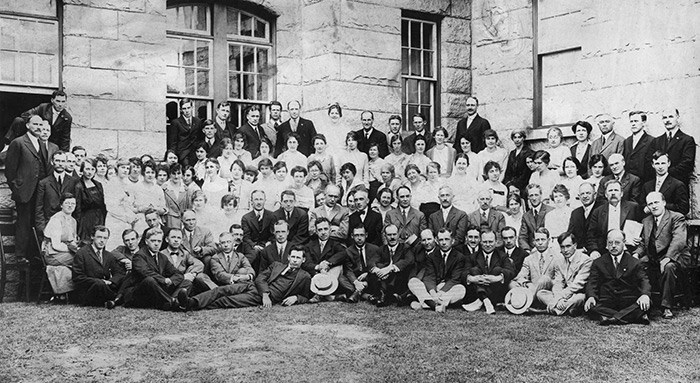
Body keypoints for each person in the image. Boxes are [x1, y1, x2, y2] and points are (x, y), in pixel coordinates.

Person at [179, 245, 311, 310]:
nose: (294, 260)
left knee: (227, 301)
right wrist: (265, 293)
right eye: (292, 257)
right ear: (288, 257)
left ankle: (191, 305)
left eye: (298, 258)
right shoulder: (277, 265)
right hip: (253, 287)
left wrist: (296, 298)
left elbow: (308, 296)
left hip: (257, 297)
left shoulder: (304, 276)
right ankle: (190, 301)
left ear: (303, 260)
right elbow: (260, 278)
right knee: (221, 290)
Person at [6, 115, 58, 262]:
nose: (38, 127)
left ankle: (36, 255)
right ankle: (21, 255)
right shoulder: (19, 142)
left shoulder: (41, 144)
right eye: (35, 124)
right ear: (28, 125)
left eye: (41, 125)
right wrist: (17, 188)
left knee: (38, 222)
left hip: (39, 191)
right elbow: (10, 170)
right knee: (24, 222)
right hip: (25, 192)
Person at [634, 192, 692, 319]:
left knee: (669, 267)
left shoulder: (676, 217)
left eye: (656, 202)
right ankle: (644, 301)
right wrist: (636, 255)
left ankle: (667, 306)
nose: (653, 206)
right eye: (650, 204)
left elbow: (679, 241)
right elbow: (644, 243)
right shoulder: (646, 221)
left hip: (676, 256)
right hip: (654, 256)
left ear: (664, 203)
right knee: (636, 265)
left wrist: (667, 258)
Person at [584, 229, 651, 325]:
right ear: (606, 244)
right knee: (590, 306)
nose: (613, 246)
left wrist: (645, 295)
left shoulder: (635, 262)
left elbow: (644, 280)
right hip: (607, 302)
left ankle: (610, 318)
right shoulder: (598, 262)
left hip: (628, 301)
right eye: (610, 243)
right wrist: (591, 296)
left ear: (624, 243)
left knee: (645, 303)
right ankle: (634, 316)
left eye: (617, 243)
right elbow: (592, 282)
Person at [407, 228, 466, 312]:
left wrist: (440, 292)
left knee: (461, 289)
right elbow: (429, 277)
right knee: (413, 282)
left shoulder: (459, 257)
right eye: (441, 240)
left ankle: (427, 303)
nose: (444, 243)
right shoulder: (431, 256)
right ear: (437, 241)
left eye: (447, 239)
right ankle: (435, 305)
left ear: (452, 241)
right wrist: (433, 293)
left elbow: (455, 279)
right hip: (433, 289)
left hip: (446, 289)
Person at [131, 228, 189, 310]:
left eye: (159, 241)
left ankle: (169, 302)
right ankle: (173, 302)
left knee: (187, 282)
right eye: (153, 241)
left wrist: (171, 280)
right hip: (142, 293)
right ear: (146, 241)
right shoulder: (139, 255)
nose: (156, 244)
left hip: (158, 291)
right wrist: (164, 280)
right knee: (149, 280)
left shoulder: (162, 257)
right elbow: (146, 272)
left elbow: (178, 273)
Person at [536, 232, 591, 316]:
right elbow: (558, 283)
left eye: (568, 246)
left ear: (575, 245)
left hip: (578, 293)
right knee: (541, 293)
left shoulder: (586, 260)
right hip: (564, 295)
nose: (565, 250)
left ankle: (552, 309)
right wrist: (559, 299)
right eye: (562, 247)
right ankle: (566, 309)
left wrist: (558, 298)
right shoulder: (560, 260)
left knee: (579, 298)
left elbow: (577, 285)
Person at [462, 229, 515, 314]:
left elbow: (511, 271)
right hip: (475, 290)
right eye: (485, 242)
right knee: (474, 270)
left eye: (490, 242)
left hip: (496, 291)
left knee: (497, 269)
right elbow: (464, 272)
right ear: (480, 241)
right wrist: (472, 278)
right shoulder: (472, 257)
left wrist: (497, 278)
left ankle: (481, 300)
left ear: (496, 242)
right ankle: (486, 301)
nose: (487, 245)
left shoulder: (502, 256)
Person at [586, 179, 642, 258]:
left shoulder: (633, 207)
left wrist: (639, 239)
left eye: (616, 190)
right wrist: (594, 250)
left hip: (627, 251)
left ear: (621, 193)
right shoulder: (598, 211)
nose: (613, 193)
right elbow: (591, 236)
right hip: (604, 252)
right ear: (605, 194)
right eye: (610, 190)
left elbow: (642, 231)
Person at [72, 226, 126, 306]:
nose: (102, 241)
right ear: (92, 237)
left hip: (105, 288)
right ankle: (116, 299)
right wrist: (99, 281)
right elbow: (78, 277)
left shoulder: (108, 255)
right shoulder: (82, 253)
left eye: (105, 238)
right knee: (99, 284)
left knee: (126, 279)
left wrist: (110, 281)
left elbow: (119, 273)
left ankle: (112, 300)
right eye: (99, 237)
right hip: (89, 291)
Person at [5, 90, 71, 151]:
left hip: (51, 143)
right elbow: (25, 115)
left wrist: (64, 155)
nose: (60, 104)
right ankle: (8, 145)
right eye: (58, 101)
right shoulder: (44, 107)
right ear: (52, 100)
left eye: (63, 101)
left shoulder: (67, 117)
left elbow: (65, 138)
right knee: (18, 120)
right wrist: (38, 120)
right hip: (37, 137)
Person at [42, 193, 80, 301]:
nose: (70, 206)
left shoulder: (73, 221)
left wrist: (75, 246)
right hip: (52, 253)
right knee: (82, 258)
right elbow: (56, 245)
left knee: (83, 257)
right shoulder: (56, 219)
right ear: (61, 205)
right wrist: (74, 249)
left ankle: (78, 291)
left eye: (73, 203)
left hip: (65, 252)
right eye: (67, 203)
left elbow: (72, 240)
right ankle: (77, 291)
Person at [647, 108, 696, 188]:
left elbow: (687, 164)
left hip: (678, 184)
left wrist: (665, 172)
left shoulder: (687, 140)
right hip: (659, 184)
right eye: (664, 117)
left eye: (670, 117)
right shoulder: (657, 141)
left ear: (677, 118)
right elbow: (649, 160)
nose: (667, 120)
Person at [510, 228, 560, 306]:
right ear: (534, 242)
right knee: (512, 283)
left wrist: (544, 283)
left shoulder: (556, 257)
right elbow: (521, 276)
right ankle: (525, 300)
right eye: (537, 240)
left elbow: (559, 280)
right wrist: (528, 283)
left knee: (544, 279)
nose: (540, 243)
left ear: (548, 240)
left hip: (546, 292)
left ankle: (524, 302)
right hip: (533, 289)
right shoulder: (529, 258)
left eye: (543, 240)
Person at [302, 218, 349, 300]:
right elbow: (307, 263)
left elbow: (343, 253)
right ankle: (330, 297)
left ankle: (319, 295)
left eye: (325, 229)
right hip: (316, 275)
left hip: (330, 274)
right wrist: (318, 267)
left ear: (330, 230)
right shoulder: (309, 246)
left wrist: (328, 263)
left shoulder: (335, 244)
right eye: (320, 230)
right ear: (316, 232)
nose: (323, 232)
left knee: (338, 267)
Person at [369, 225, 415, 306]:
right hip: (383, 279)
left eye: (394, 234)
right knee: (379, 265)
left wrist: (390, 269)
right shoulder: (382, 249)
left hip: (399, 281)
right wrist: (378, 271)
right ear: (385, 236)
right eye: (389, 235)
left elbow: (409, 260)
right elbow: (371, 262)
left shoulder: (405, 248)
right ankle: (383, 295)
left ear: (398, 234)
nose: (392, 237)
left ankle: (385, 295)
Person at [161, 227, 217, 294]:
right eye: (173, 237)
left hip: (184, 284)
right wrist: (183, 277)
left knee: (200, 276)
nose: (176, 240)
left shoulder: (184, 253)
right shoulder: (161, 254)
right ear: (167, 239)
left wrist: (191, 274)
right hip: (168, 285)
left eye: (178, 238)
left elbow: (199, 264)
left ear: (182, 241)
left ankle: (219, 292)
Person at [35, 151, 77, 236]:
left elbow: (77, 206)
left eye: (63, 161)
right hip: (49, 225)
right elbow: (39, 207)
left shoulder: (74, 181)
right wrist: (42, 228)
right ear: (52, 162)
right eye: (57, 161)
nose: (60, 164)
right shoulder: (44, 183)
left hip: (68, 227)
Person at [642, 151, 689, 216]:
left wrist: (660, 205)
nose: (660, 167)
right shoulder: (647, 185)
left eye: (663, 163)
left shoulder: (678, 185)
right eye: (657, 164)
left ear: (668, 164)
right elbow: (642, 204)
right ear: (653, 165)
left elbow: (683, 208)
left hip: (670, 221)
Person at [343, 225, 382, 303]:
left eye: (362, 235)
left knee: (377, 275)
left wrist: (367, 274)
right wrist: (356, 282)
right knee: (342, 278)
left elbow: (378, 264)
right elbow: (348, 270)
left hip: (370, 277)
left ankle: (358, 292)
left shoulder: (375, 249)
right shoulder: (348, 251)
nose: (359, 238)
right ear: (352, 236)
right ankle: (366, 296)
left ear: (366, 235)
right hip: (356, 278)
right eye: (356, 235)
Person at [74, 158, 107, 242]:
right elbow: (77, 209)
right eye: (87, 169)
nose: (90, 172)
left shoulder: (98, 185)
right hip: (85, 221)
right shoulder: (79, 186)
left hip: (99, 218)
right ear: (82, 170)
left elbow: (102, 204)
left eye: (92, 169)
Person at [241, 190, 276, 263]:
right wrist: (254, 246)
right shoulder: (246, 218)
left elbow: (273, 234)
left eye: (261, 199)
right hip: (253, 247)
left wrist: (269, 243)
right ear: (251, 201)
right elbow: (246, 237)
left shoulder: (272, 216)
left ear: (265, 200)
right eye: (256, 199)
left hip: (268, 245)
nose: (259, 202)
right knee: (252, 256)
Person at [132, 160, 167, 233]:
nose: (150, 175)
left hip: (155, 222)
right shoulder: (135, 187)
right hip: (140, 222)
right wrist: (140, 209)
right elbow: (130, 207)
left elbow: (163, 208)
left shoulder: (158, 189)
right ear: (143, 173)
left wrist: (156, 209)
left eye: (152, 172)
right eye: (148, 172)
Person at [167, 98, 203, 165]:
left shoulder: (198, 121)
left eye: (188, 108)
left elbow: (200, 138)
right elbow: (173, 142)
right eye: (184, 108)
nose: (187, 111)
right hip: (182, 154)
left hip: (195, 154)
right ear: (181, 109)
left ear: (192, 108)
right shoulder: (176, 122)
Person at [518, 184, 553, 251]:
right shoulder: (526, 216)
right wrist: (527, 250)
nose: (534, 198)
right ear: (528, 197)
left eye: (536, 195)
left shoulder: (550, 211)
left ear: (541, 195)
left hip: (548, 250)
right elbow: (522, 237)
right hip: (531, 251)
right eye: (531, 195)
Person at [162, 163, 195, 229]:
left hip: (182, 222)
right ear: (170, 174)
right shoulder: (164, 188)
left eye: (179, 173)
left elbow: (189, 207)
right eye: (174, 173)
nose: (176, 176)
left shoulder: (186, 189)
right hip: (169, 221)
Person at [623, 111, 653, 182]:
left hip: (644, 181)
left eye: (636, 121)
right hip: (629, 182)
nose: (633, 124)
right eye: (631, 121)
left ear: (644, 123)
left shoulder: (651, 141)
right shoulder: (627, 141)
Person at [566, 182, 597, 249]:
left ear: (594, 195)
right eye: (582, 194)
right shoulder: (575, 213)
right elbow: (570, 235)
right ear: (579, 196)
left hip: (598, 252)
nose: (585, 196)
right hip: (579, 252)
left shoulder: (601, 210)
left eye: (588, 193)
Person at [543, 184, 573, 252]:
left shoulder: (572, 213)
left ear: (566, 197)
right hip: (553, 245)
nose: (558, 199)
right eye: (556, 196)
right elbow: (548, 235)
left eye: (561, 196)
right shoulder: (549, 215)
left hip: (568, 244)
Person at [504, 129, 534, 193]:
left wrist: (514, 186)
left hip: (523, 186)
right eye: (515, 137)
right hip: (511, 186)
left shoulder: (529, 153)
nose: (517, 140)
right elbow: (508, 172)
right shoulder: (512, 153)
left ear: (523, 138)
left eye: (519, 137)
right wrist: (509, 185)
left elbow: (526, 173)